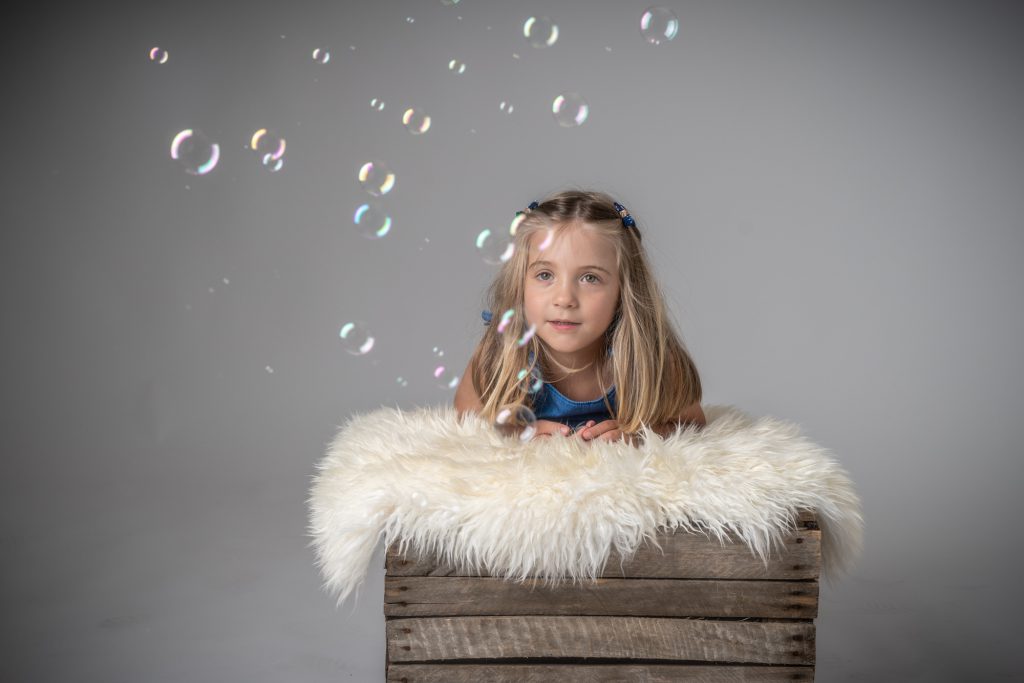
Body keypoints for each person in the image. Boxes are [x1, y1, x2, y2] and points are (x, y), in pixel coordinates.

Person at [454, 189, 705, 445]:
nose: (564, 298)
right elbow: (467, 421)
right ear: (520, 284)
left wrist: (642, 435)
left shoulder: (651, 357)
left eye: (590, 278)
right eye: (545, 275)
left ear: (624, 290)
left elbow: (692, 424)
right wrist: (518, 432)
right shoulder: (501, 352)